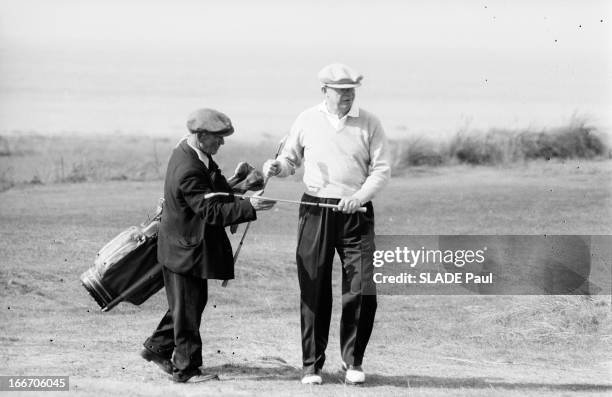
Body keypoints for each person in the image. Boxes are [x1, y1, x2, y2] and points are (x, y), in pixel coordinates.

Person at [263, 63, 391, 385]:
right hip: (315, 210)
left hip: (356, 212)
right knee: (314, 286)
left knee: (361, 287)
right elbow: (290, 160)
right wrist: (277, 167)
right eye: (340, 91)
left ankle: (353, 362)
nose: (347, 96)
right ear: (325, 91)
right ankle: (312, 366)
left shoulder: (370, 122)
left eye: (351, 91)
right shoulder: (306, 119)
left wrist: (359, 196)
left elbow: (381, 170)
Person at [141, 108, 275, 383]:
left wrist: (241, 183)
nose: (222, 143)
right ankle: (186, 370)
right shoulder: (189, 168)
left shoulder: (191, 151)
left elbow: (213, 191)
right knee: (188, 307)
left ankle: (157, 348)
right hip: (184, 249)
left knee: (188, 303)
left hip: (181, 245)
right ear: (201, 136)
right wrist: (249, 206)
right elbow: (211, 211)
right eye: (218, 137)